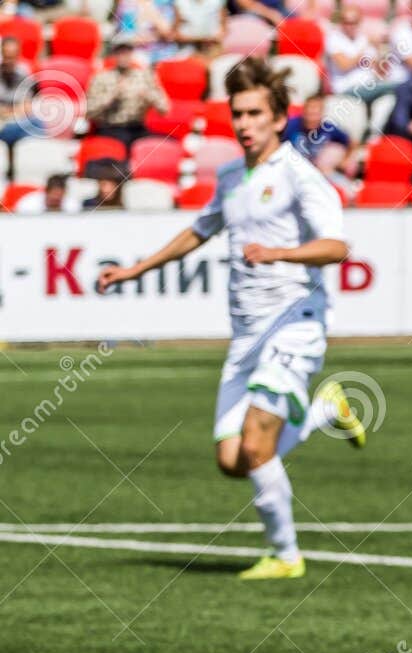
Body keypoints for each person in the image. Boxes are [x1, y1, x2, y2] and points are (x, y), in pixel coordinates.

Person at [95, 57, 367, 582]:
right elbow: (198, 230)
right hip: (246, 335)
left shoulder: (299, 178)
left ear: (278, 117)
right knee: (230, 459)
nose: (243, 123)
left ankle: (286, 556)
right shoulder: (230, 178)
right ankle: (325, 413)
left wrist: (280, 255)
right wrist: (137, 268)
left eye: (253, 114)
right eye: (237, 113)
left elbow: (337, 245)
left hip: (294, 323)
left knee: (257, 445)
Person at [86, 37, 169, 147]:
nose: (123, 56)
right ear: (114, 54)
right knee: (123, 147)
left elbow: (164, 109)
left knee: (166, 143)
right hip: (111, 128)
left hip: (137, 127)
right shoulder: (101, 78)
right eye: (120, 52)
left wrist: (148, 95)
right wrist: (111, 96)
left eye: (127, 52)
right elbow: (88, 112)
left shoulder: (144, 76)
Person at [326, 7, 394, 97]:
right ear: (341, 22)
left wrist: (380, 51)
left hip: (369, 84)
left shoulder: (363, 38)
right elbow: (344, 65)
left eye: (354, 22)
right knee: (396, 88)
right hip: (347, 87)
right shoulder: (333, 39)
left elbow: (377, 68)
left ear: (359, 22)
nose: (350, 26)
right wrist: (364, 50)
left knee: (396, 89)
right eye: (346, 22)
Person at [284, 91, 352, 176]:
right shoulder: (291, 125)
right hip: (293, 169)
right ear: (303, 112)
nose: (311, 119)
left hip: (318, 171)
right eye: (309, 114)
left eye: (315, 114)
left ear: (322, 114)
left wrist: (345, 160)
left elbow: (349, 142)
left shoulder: (328, 128)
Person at [14, 172, 80, 213]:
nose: (56, 198)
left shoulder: (73, 206)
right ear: (46, 192)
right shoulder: (28, 205)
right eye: (54, 195)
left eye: (59, 197)